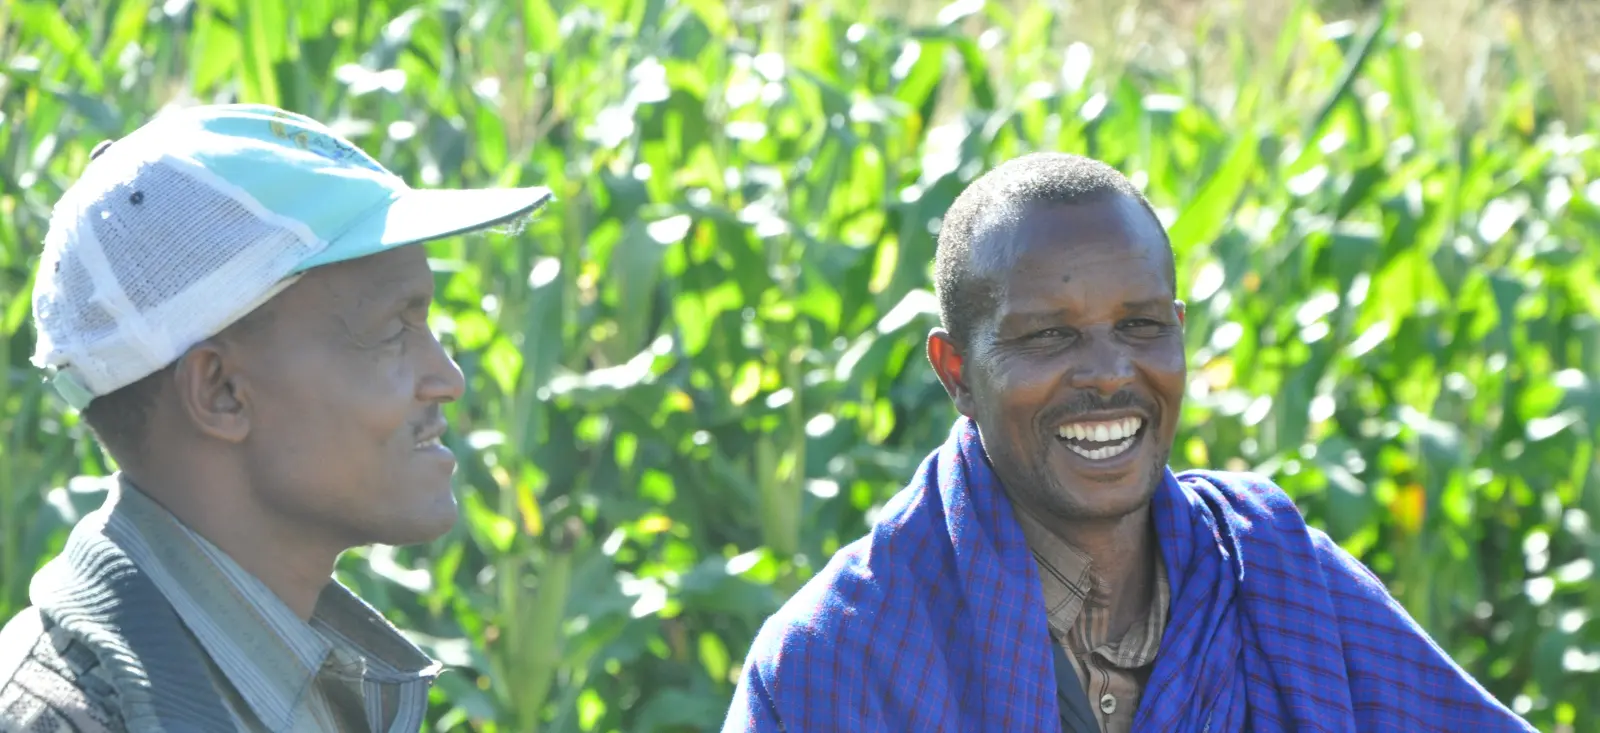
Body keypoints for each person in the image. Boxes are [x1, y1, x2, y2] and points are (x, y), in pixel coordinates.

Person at [720, 152, 1534, 732]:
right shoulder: (840, 655)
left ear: (1179, 331)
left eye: (1140, 326)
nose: (1110, 374)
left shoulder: (1278, 576)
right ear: (957, 372)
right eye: (1048, 336)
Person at [0, 104, 551, 732]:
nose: (448, 379)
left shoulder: (293, 681)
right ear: (222, 392)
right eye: (392, 330)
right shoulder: (60, 717)